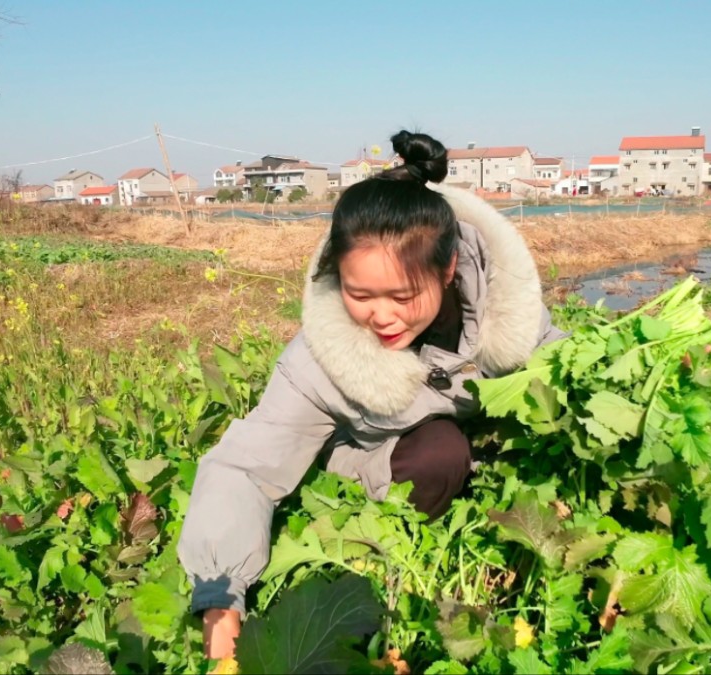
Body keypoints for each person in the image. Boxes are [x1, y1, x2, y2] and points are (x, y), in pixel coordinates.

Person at [178, 130, 566, 660]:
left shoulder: (509, 315)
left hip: (480, 444)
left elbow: (565, 368)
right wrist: (220, 599)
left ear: (449, 269)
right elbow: (244, 469)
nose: (382, 316)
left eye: (403, 296)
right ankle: (394, 561)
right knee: (441, 452)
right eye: (360, 295)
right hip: (385, 463)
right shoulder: (318, 359)